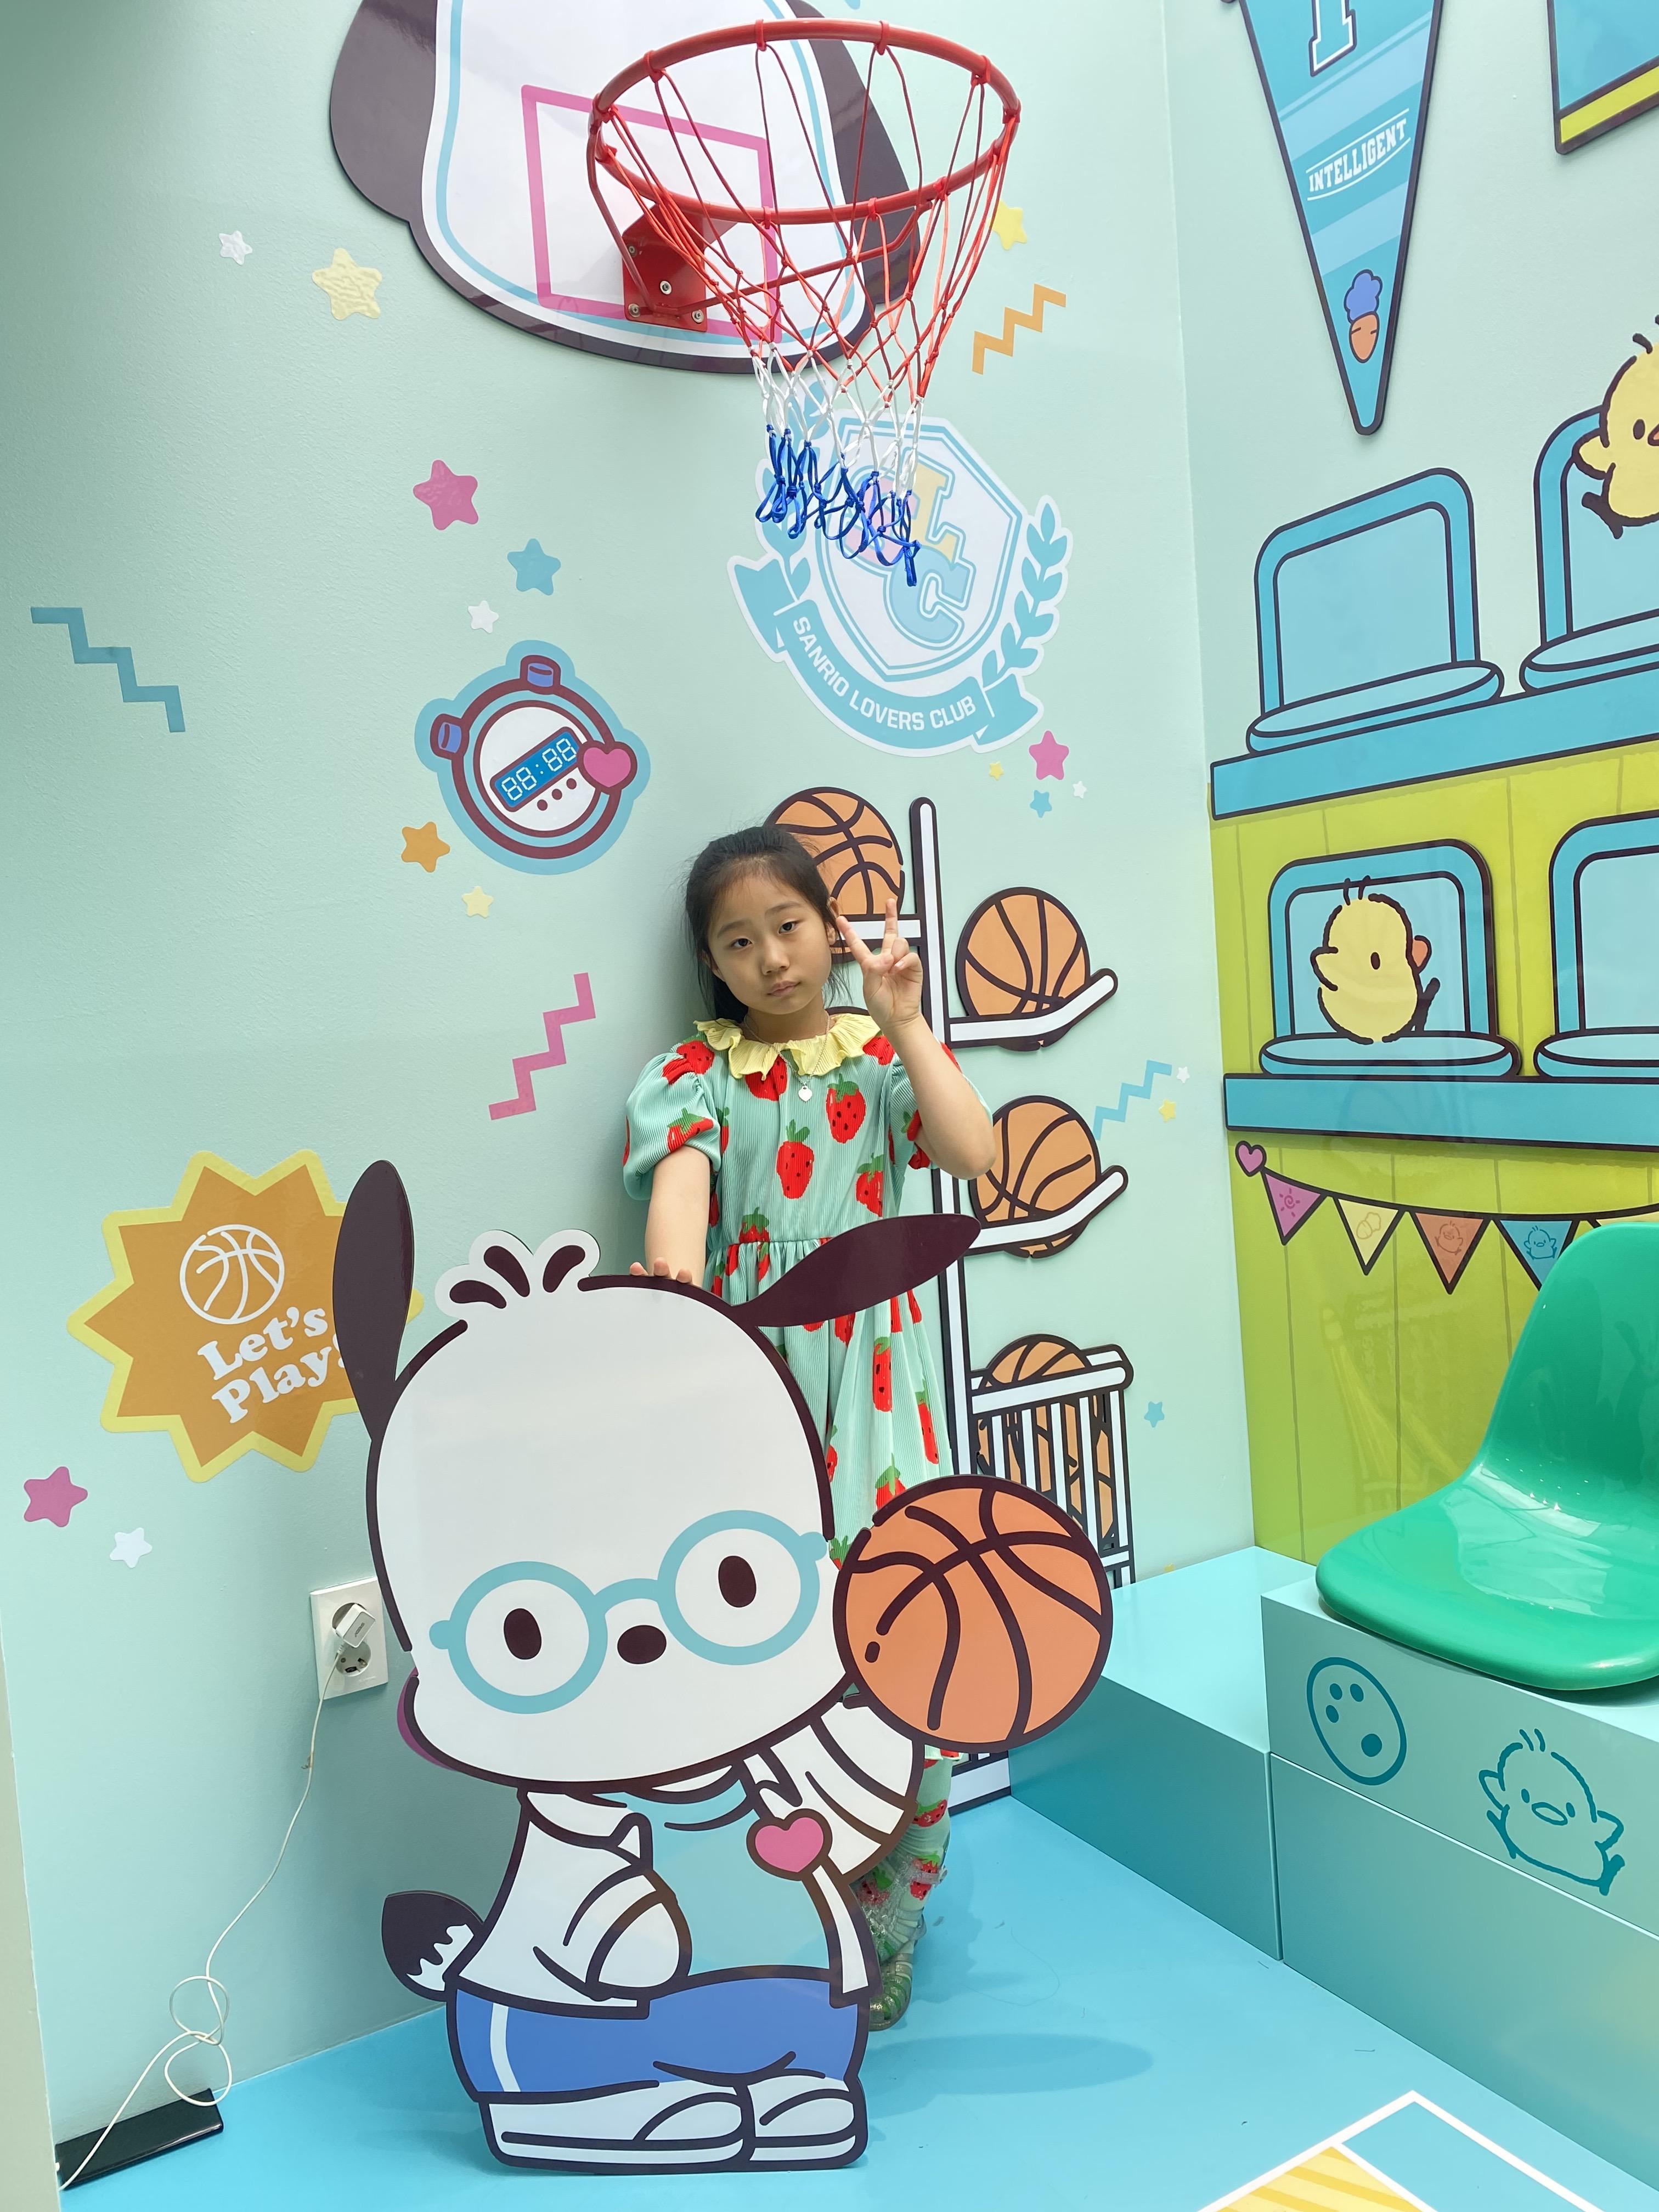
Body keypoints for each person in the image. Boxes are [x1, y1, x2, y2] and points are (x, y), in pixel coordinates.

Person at [623, 824, 995, 2027]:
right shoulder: (695, 1073)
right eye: (738, 942)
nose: (771, 958)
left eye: (787, 927)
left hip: (881, 1388)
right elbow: (679, 1213)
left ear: (830, 930)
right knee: (767, 1655)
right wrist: (676, 1300)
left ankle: (893, 1912)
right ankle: (791, 1911)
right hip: (756, 1385)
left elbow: (971, 1152)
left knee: (907, 1641)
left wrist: (907, 1021)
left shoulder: (875, 1060)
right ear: (711, 963)